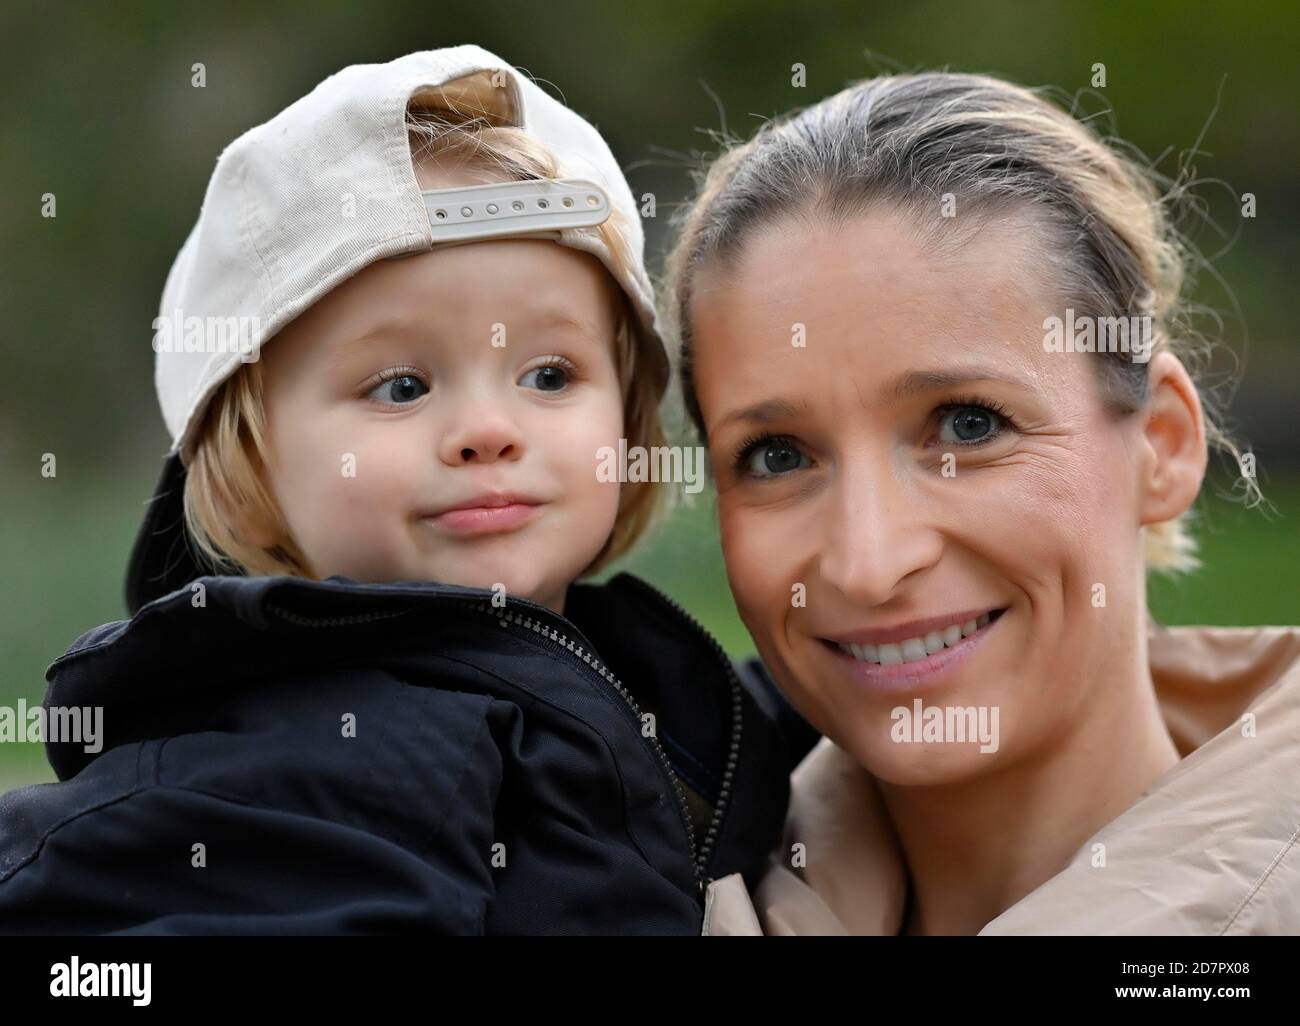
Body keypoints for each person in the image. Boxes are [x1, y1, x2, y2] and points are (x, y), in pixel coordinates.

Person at [0, 46, 807, 935]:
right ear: (248, 470)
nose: (489, 429)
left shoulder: (655, 688)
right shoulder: (283, 778)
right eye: (401, 387)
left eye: (548, 372)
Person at [661, 71, 1300, 935]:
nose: (869, 560)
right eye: (778, 456)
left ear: (1163, 444)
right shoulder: (623, 889)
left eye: (967, 425)